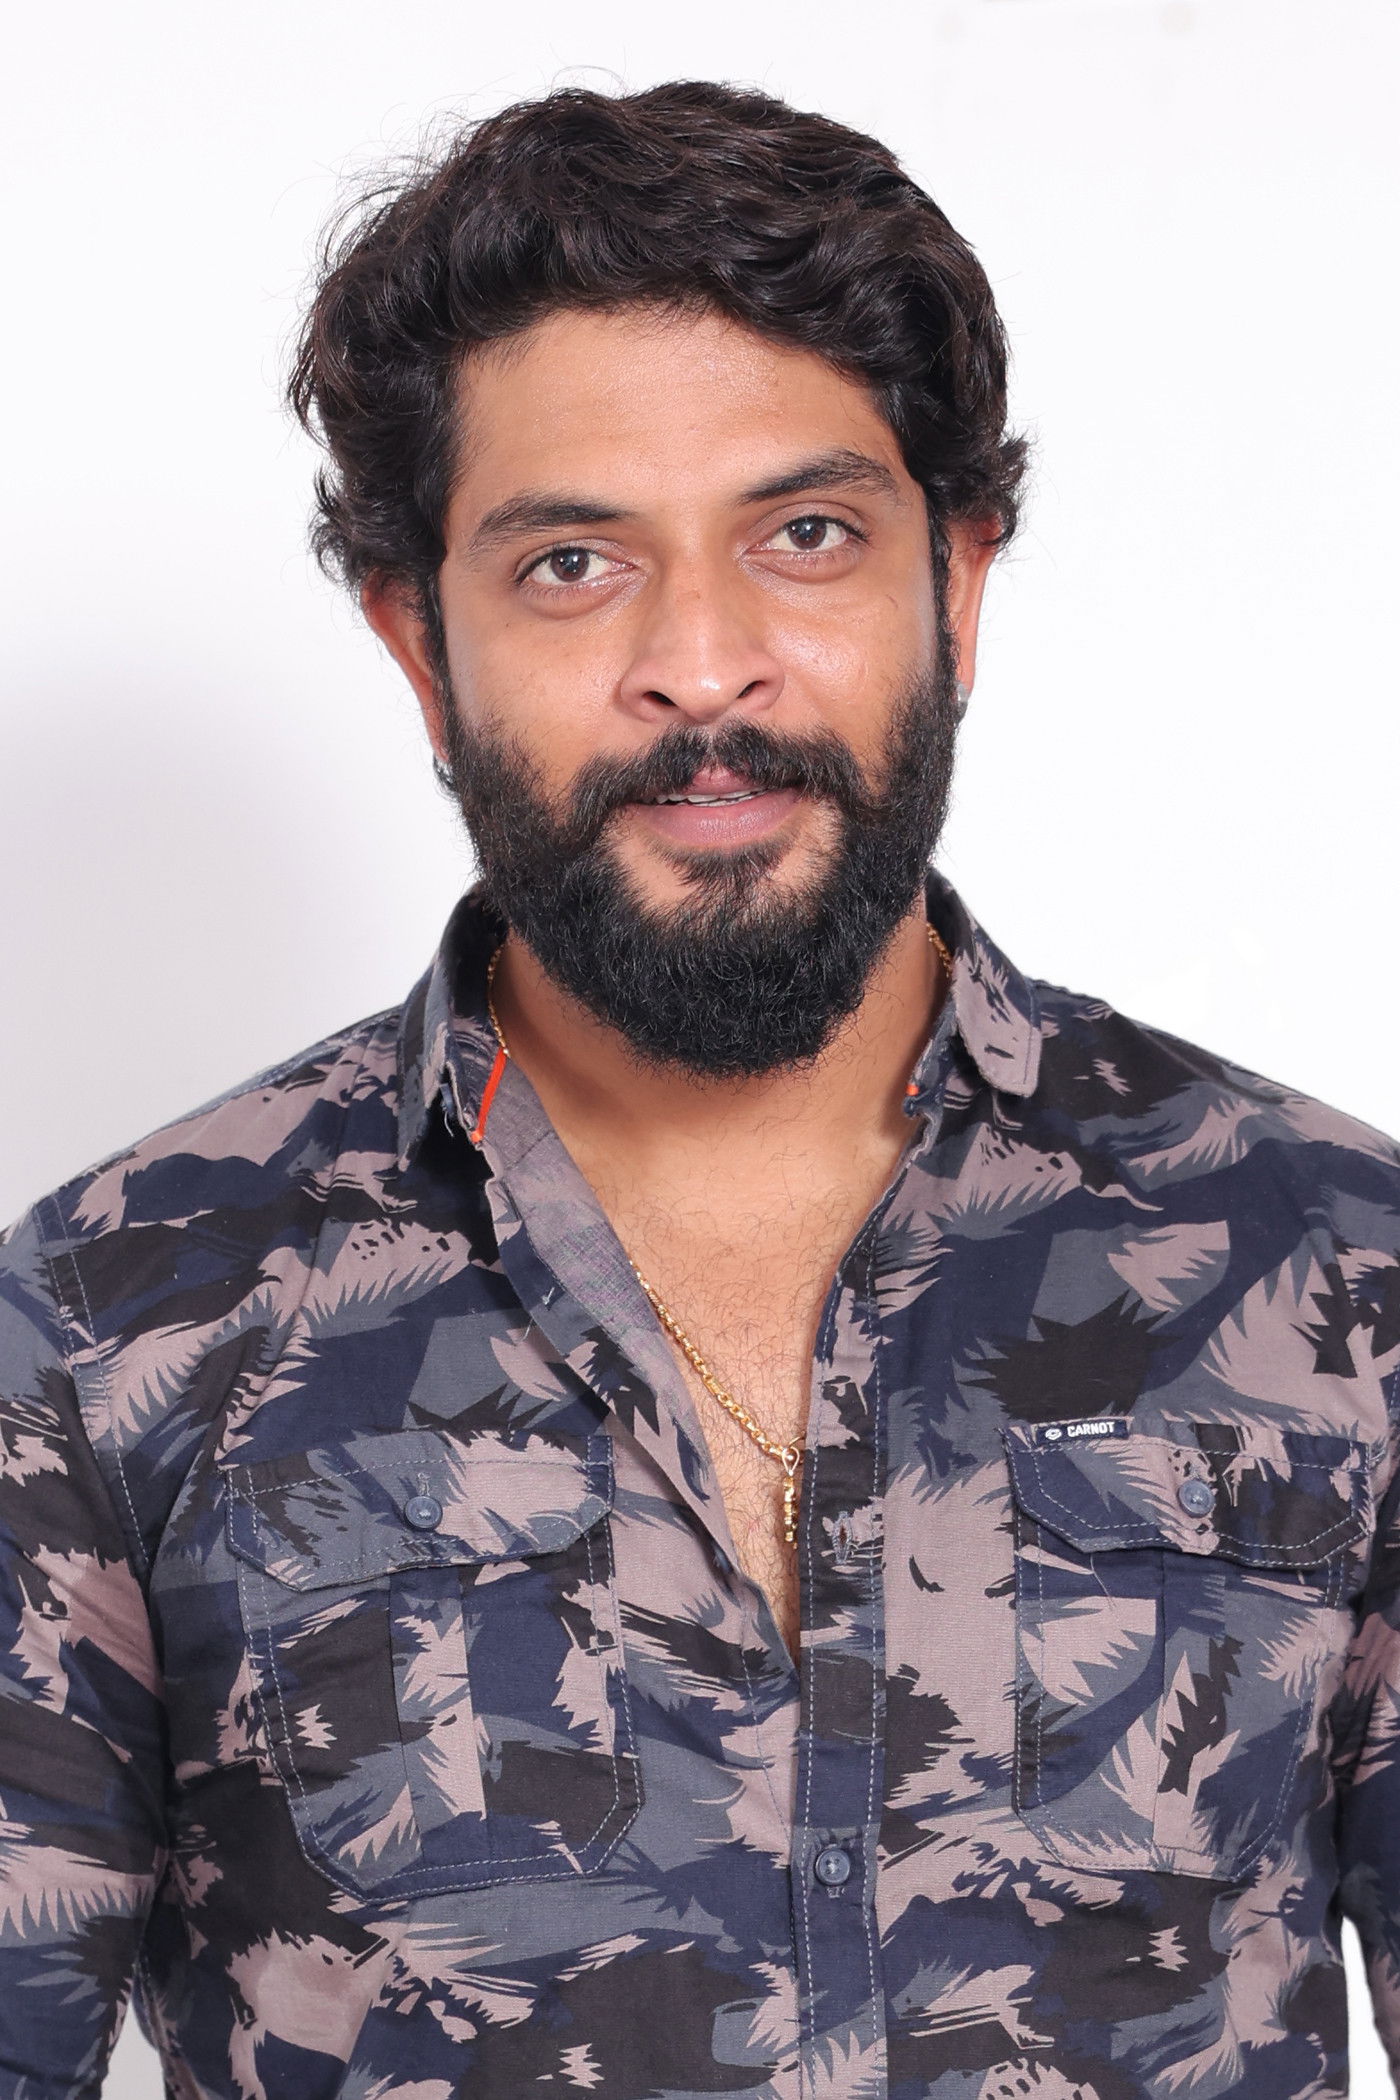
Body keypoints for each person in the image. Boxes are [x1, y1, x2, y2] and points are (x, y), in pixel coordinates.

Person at [1, 78, 1396, 2100]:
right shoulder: (108, 1320)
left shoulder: (1338, 1267)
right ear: (421, 647)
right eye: (574, 563)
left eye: (806, 536)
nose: (706, 662)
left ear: (956, 586)